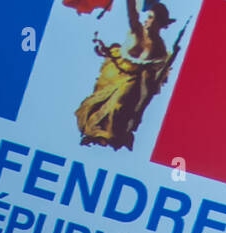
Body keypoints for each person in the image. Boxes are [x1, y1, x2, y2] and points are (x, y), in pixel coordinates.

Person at [75, 0, 178, 150]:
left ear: (159, 23)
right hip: (114, 73)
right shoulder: (137, 31)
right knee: (94, 104)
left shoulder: (159, 47)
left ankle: (105, 136)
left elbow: (155, 70)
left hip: (133, 79)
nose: (146, 20)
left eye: (151, 17)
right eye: (147, 16)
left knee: (118, 103)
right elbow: (133, 14)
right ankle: (92, 133)